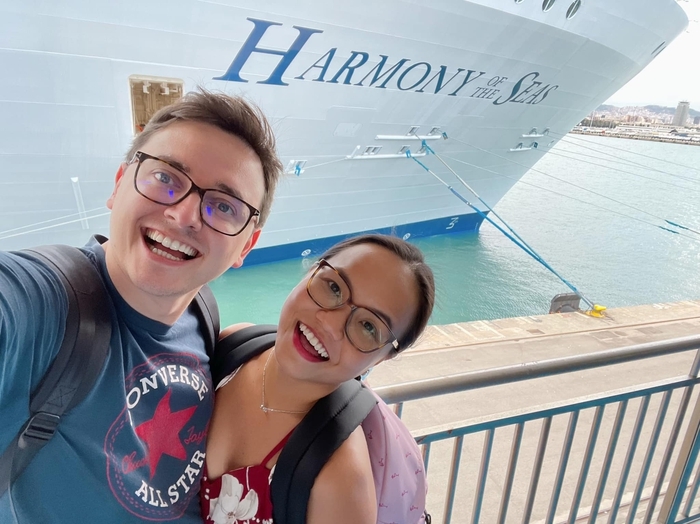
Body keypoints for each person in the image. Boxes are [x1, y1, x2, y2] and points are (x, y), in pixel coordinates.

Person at [0, 90, 283, 523]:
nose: (184, 216)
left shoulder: (203, 316)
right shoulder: (41, 302)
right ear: (119, 184)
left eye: (223, 206)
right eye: (166, 177)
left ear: (246, 245)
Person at [202, 234, 435, 524]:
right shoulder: (233, 347)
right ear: (312, 271)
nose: (331, 323)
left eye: (367, 326)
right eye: (334, 287)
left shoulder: (342, 481)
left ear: (382, 357)